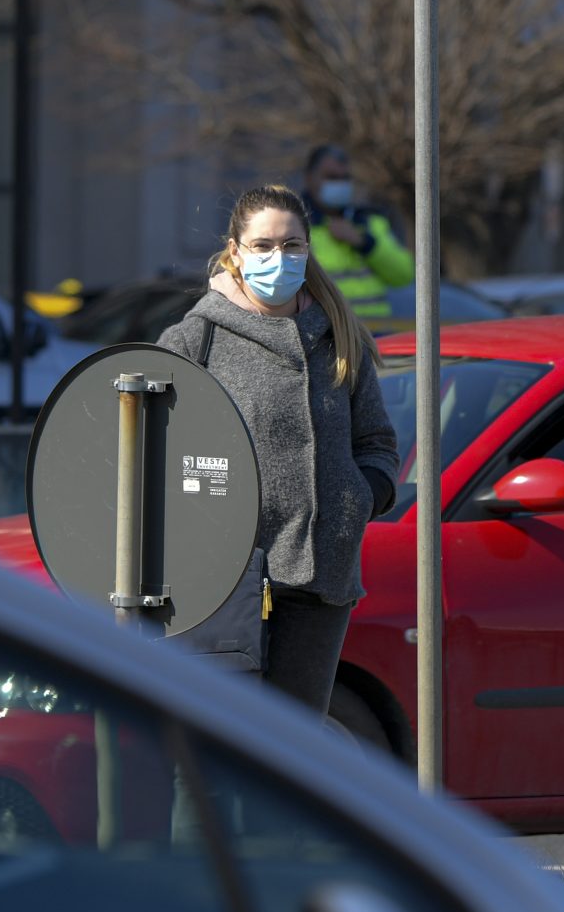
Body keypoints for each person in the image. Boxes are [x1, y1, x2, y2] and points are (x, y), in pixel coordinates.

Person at [156, 185, 402, 714]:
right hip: (224, 578)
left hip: (322, 577)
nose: (278, 258)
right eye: (263, 245)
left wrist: (359, 497)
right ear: (235, 251)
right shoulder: (194, 339)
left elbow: (377, 441)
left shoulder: (338, 335)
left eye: (292, 245)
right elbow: (153, 453)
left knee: (295, 748)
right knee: (223, 746)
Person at [303, 144, 415, 302]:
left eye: (345, 178)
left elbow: (404, 275)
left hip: (373, 326)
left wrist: (365, 244)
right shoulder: (295, 227)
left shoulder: (369, 222)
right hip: (324, 326)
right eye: (331, 177)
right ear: (309, 178)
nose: (339, 184)